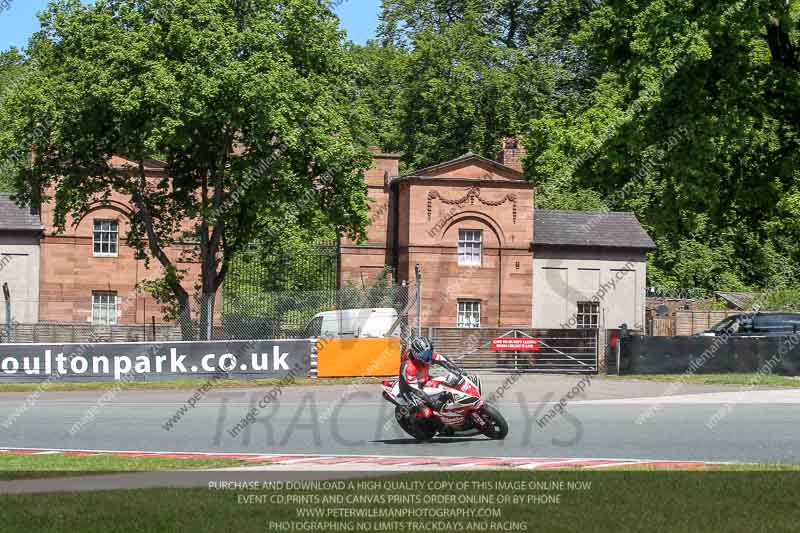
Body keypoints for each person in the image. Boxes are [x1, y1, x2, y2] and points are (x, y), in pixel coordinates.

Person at [398, 336, 464, 415]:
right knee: (427, 413)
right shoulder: (409, 366)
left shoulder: (427, 356)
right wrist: (432, 403)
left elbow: (444, 361)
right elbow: (416, 390)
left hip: (424, 381)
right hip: (410, 390)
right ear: (415, 354)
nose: (428, 356)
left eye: (429, 352)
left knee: (447, 384)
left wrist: (459, 372)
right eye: (424, 354)